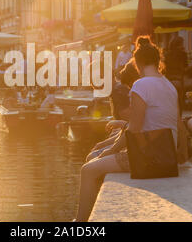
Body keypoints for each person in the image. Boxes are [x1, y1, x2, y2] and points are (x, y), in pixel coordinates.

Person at [74, 36, 179, 222]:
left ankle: (81, 224)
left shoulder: (141, 85)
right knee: (96, 160)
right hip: (168, 153)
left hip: (150, 156)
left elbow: (134, 130)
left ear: (137, 63)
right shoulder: (169, 86)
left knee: (87, 170)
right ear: (157, 61)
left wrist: (110, 150)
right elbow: (169, 124)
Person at [164, 36, 188, 110]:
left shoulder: (166, 54)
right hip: (179, 79)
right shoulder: (183, 54)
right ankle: (179, 117)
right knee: (179, 101)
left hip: (168, 80)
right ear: (180, 44)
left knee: (169, 101)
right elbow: (185, 68)